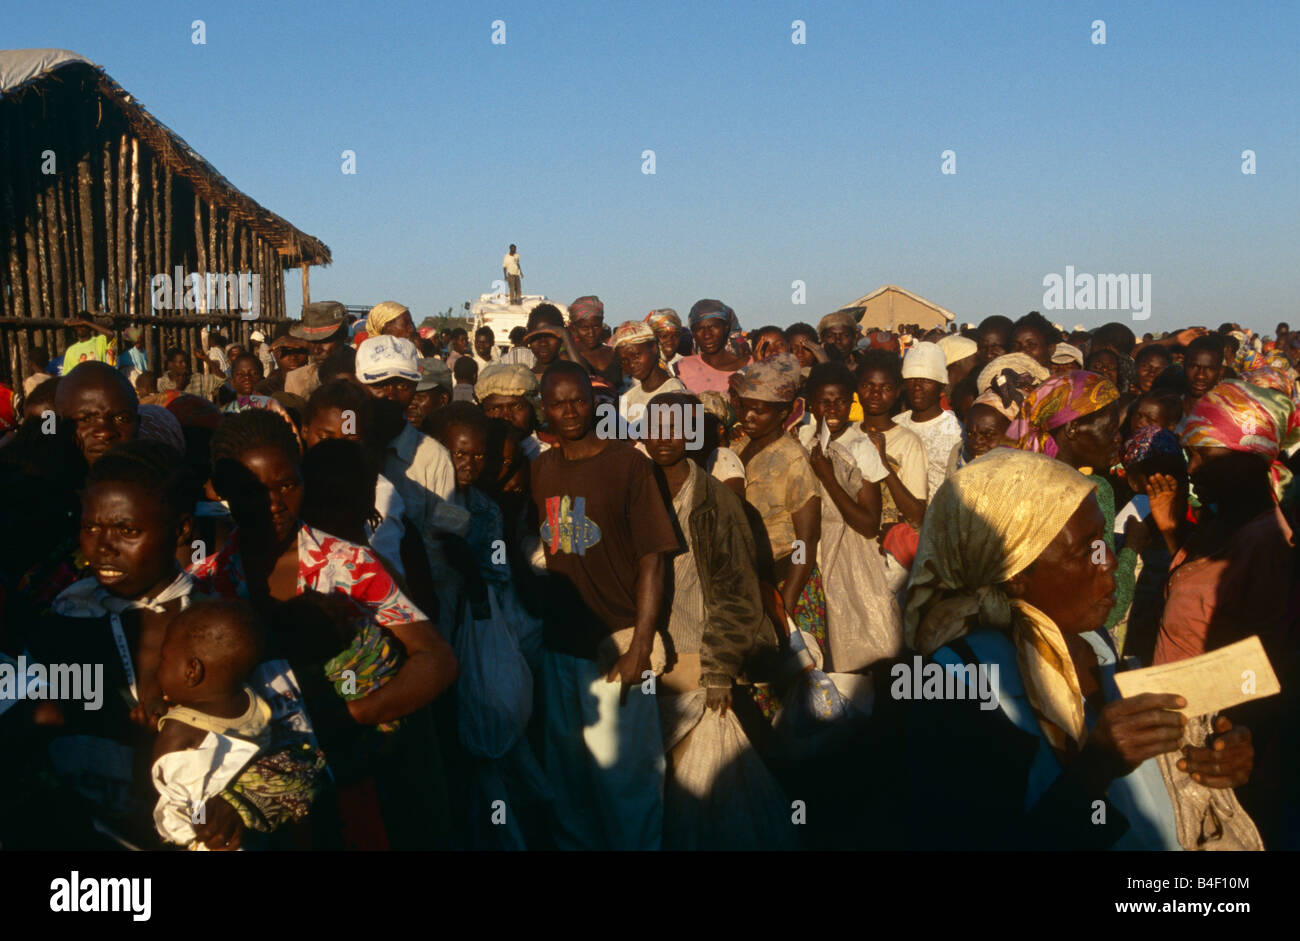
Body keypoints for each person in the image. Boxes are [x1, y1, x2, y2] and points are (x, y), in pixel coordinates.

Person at [891, 448, 1260, 850]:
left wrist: (1205, 759)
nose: (1106, 563)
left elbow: (1150, 791)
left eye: (1102, 540)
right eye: (1084, 550)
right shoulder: (954, 685)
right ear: (1014, 575)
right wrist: (1096, 766)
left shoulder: (1093, 644)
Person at [193, 409, 459, 848]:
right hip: (249, 796)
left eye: (287, 485)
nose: (274, 504)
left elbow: (437, 660)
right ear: (223, 491)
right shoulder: (206, 583)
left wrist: (352, 716)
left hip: (353, 780)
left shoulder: (347, 564)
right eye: (251, 491)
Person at [530, 361, 680, 850]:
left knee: (627, 781)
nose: (569, 411)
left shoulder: (629, 465)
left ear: (594, 403)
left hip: (614, 642)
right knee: (569, 778)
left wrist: (640, 644)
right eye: (558, 403)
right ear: (544, 410)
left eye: (578, 400)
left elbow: (653, 560)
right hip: (561, 647)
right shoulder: (542, 470)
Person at [641, 390, 789, 849]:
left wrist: (720, 668)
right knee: (647, 784)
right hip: (640, 654)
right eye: (656, 425)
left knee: (700, 790)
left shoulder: (716, 503)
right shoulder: (629, 490)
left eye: (676, 427)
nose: (665, 437)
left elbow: (738, 595)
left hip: (695, 657)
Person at [354, 335, 459, 635]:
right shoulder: (345, 447)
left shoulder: (432, 457)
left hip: (414, 607)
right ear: (361, 385)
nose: (390, 394)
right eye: (379, 384)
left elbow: (442, 542)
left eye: (402, 385)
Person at [798, 363, 900, 671]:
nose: (832, 408)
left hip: (853, 558)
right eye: (824, 402)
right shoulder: (804, 441)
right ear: (812, 404)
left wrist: (828, 476)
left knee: (864, 647)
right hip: (812, 555)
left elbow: (868, 524)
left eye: (840, 400)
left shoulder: (861, 445)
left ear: (851, 402)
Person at [151, 601, 273, 849]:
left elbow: (174, 793)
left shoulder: (179, 730)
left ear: (191, 671)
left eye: (163, 659)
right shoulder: (250, 699)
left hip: (211, 835)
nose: (157, 667)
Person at [729, 354, 826, 652]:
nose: (748, 417)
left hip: (786, 580)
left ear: (784, 412)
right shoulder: (738, 446)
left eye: (759, 411)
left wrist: (787, 602)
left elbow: (805, 539)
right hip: (752, 583)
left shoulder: (792, 458)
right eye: (745, 408)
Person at [855, 350, 928, 582]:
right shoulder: (847, 435)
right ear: (857, 388)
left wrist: (883, 463)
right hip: (852, 549)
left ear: (897, 393)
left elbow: (917, 515)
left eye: (885, 388)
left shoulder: (908, 442)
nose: (875, 394)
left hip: (890, 555)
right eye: (868, 385)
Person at [896, 341, 964, 500]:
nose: (917, 387)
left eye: (926, 380)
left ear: (941, 387)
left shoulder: (956, 429)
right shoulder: (895, 425)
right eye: (912, 379)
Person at [54, 361, 140, 468]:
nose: (105, 433)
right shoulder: (38, 481)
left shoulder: (160, 479)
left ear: (138, 424)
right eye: (85, 419)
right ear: (58, 425)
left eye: (121, 418)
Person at [612, 320, 685, 427]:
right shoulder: (627, 398)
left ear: (654, 348)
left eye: (636, 356)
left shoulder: (674, 391)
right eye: (624, 361)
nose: (631, 364)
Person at [476, 362, 548, 460]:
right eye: (495, 409)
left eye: (516, 407)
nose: (506, 416)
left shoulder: (549, 455)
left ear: (533, 408)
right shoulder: (475, 458)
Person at [676, 299, 749, 395]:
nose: (707, 335)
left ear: (726, 327)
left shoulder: (751, 367)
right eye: (699, 329)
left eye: (713, 327)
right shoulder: (682, 368)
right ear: (693, 332)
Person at [285, 301, 348, 399]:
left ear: (343, 337)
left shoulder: (362, 374)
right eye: (311, 341)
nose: (317, 350)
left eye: (325, 341)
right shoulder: (295, 379)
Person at [568, 295, 622, 387]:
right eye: (585, 328)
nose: (591, 333)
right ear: (573, 328)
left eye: (596, 326)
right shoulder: (566, 357)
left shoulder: (614, 353)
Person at [1182, 334, 1226, 421]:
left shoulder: (1228, 415)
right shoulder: (1167, 409)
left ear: (1220, 371)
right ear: (1183, 366)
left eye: (1210, 369)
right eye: (1194, 367)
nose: (1200, 376)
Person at [158, 347, 223, 400]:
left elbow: (221, 378)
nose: (184, 365)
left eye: (185, 362)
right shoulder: (161, 383)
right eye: (180, 362)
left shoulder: (197, 378)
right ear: (170, 364)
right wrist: (180, 387)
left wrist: (205, 358)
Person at [407, 358, 453, 429]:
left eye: (420, 397)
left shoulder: (458, 437)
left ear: (443, 399)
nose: (410, 406)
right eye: (408, 395)